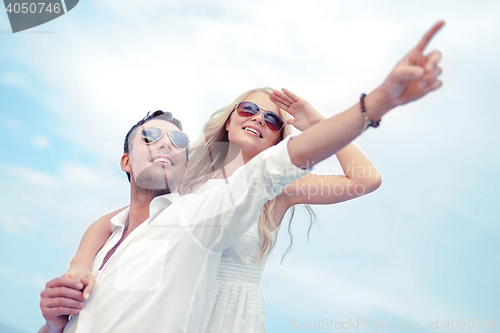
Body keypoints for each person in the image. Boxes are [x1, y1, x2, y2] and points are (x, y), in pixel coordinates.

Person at [39, 20, 445, 333]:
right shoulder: (189, 175)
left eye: (272, 119)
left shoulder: (279, 188)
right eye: (248, 110)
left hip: (231, 310)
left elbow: (365, 179)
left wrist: (316, 123)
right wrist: (80, 265)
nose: (259, 120)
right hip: (170, 299)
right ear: (230, 120)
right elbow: (117, 220)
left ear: (279, 140)